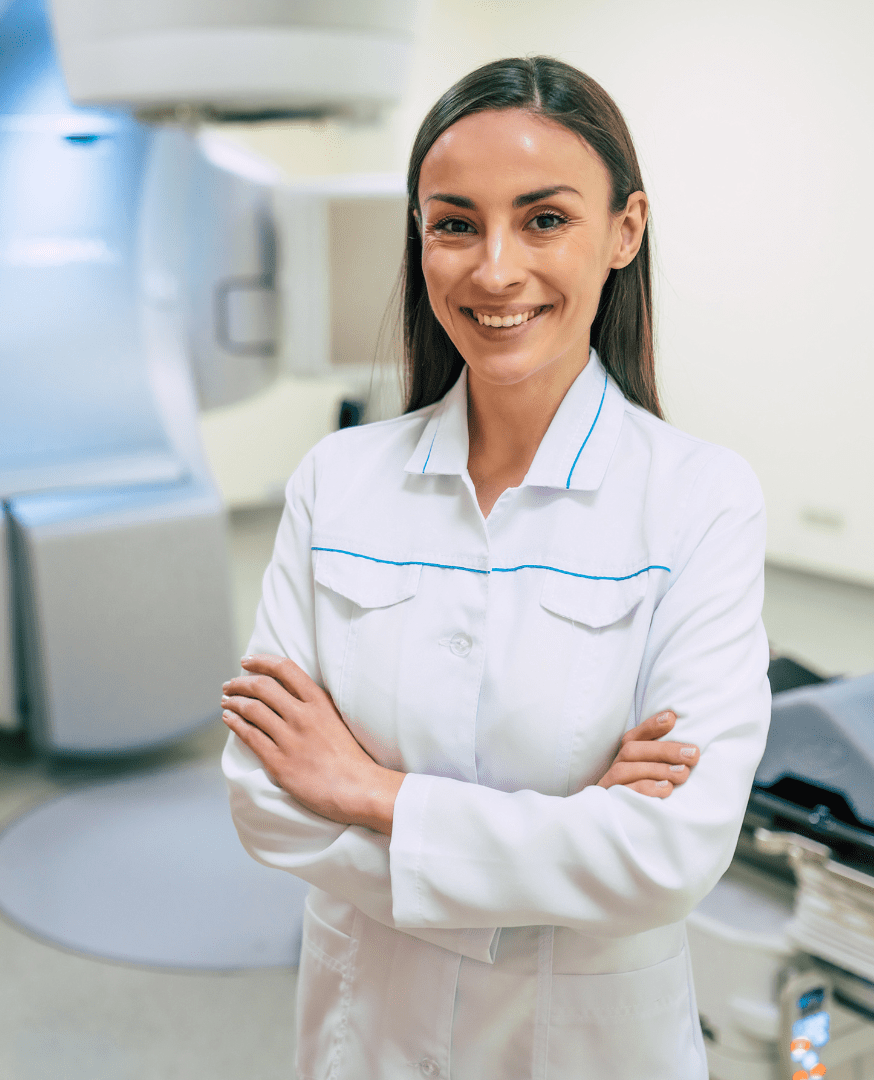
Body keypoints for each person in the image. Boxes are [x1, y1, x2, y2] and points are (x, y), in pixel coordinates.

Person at [220, 55, 770, 1080]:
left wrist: (370, 791)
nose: (496, 269)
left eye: (546, 219)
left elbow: (666, 857)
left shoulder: (701, 497)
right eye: (456, 223)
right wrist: (569, 838)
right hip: (366, 1038)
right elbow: (264, 797)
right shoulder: (336, 483)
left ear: (625, 231)